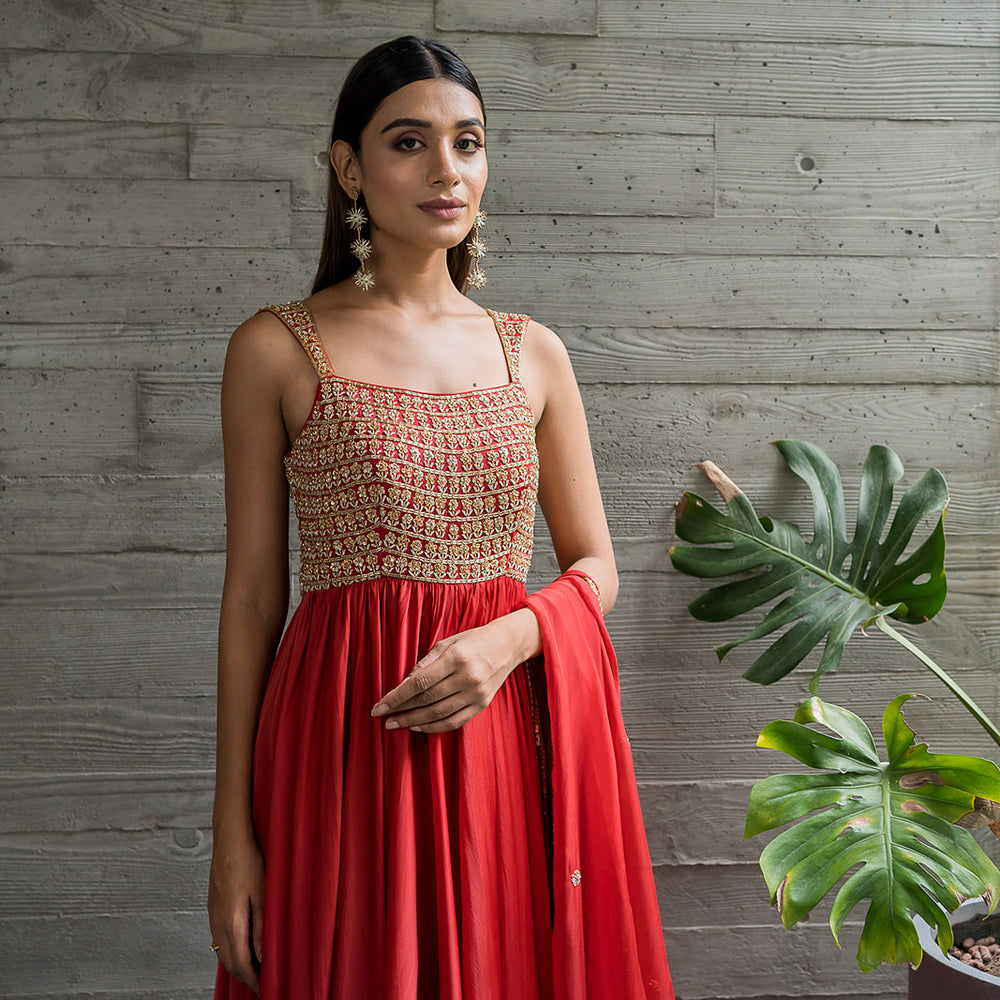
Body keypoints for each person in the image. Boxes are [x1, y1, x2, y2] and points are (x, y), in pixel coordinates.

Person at [208, 35, 673, 1000]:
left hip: (495, 730)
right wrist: (233, 837)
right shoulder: (275, 348)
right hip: (340, 740)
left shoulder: (530, 354)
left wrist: (510, 640)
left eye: (468, 143)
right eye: (409, 142)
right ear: (349, 167)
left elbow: (596, 566)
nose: (446, 171)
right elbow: (254, 597)